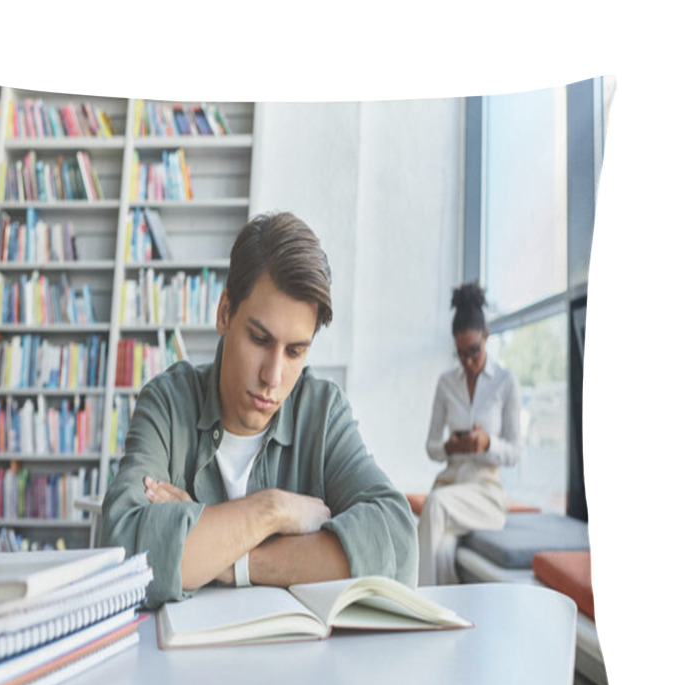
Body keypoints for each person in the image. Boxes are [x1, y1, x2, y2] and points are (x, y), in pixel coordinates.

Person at [101, 211, 418, 608]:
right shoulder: (167, 403)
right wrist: (273, 511)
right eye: (259, 339)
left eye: (295, 351)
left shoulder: (322, 412)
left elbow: (397, 544)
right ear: (224, 313)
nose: (273, 375)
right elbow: (123, 551)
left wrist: (230, 559)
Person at [417, 281, 520, 585]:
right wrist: (449, 448)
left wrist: (487, 443)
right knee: (444, 554)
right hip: (451, 486)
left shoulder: (505, 382)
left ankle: (415, 605)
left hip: (485, 495)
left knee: (433, 506)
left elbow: (515, 452)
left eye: (474, 351)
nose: (469, 361)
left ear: (487, 336)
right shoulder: (446, 383)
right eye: (461, 354)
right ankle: (448, 622)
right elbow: (431, 446)